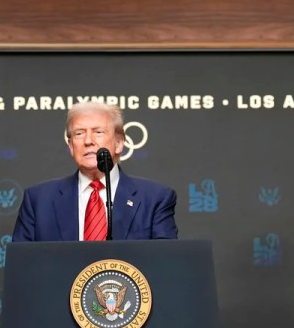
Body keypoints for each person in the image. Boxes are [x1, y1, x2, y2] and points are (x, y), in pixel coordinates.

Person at [12, 101, 178, 241]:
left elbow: (165, 263)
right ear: (71, 146)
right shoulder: (38, 201)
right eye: (79, 133)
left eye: (98, 132)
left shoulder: (155, 198)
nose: (88, 141)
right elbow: (22, 267)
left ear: (119, 143)